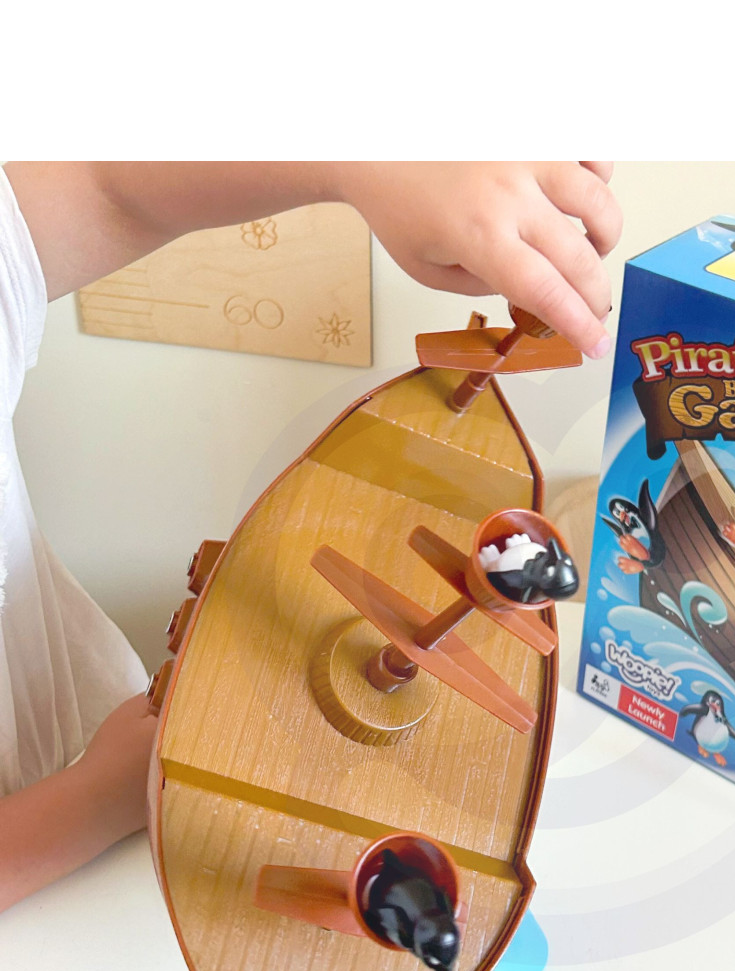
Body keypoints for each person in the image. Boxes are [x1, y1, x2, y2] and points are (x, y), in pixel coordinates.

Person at [0, 161, 621, 913]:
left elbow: (105, 192)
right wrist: (94, 797)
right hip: (74, 847)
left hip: (105, 755)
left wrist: (365, 161)